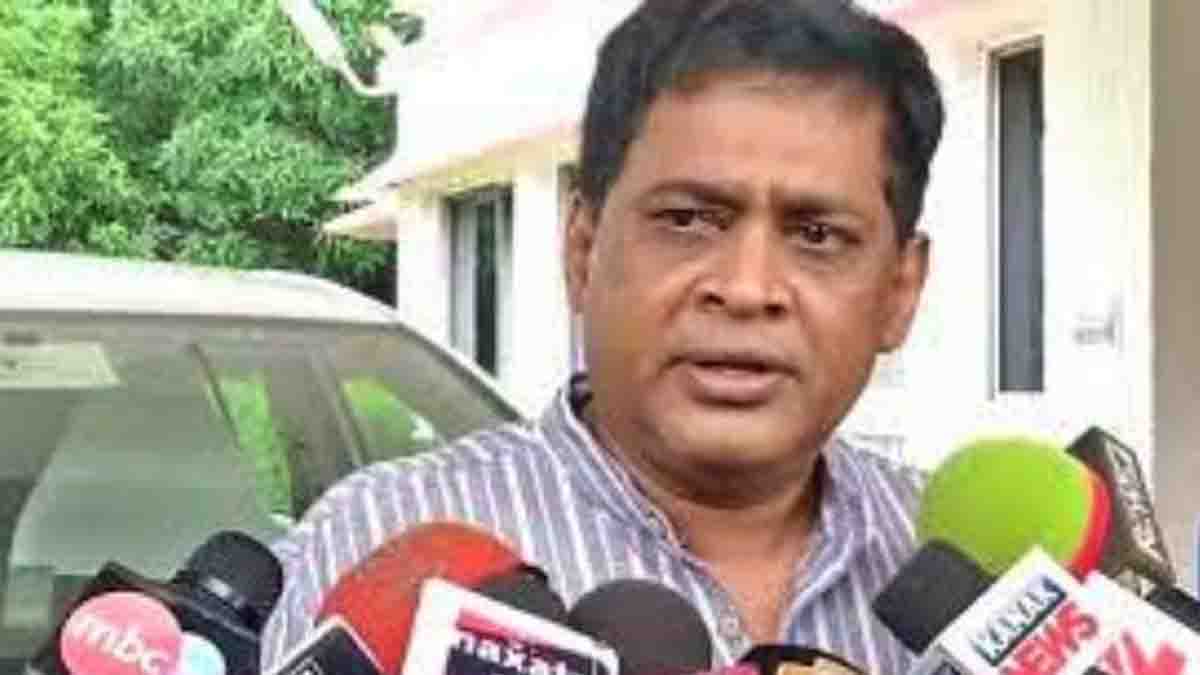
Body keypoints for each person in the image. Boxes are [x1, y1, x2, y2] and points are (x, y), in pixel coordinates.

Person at [261, 0, 944, 671]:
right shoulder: (373, 548)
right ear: (583, 250)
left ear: (900, 291)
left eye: (817, 235)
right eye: (687, 220)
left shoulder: (964, 566)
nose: (745, 288)